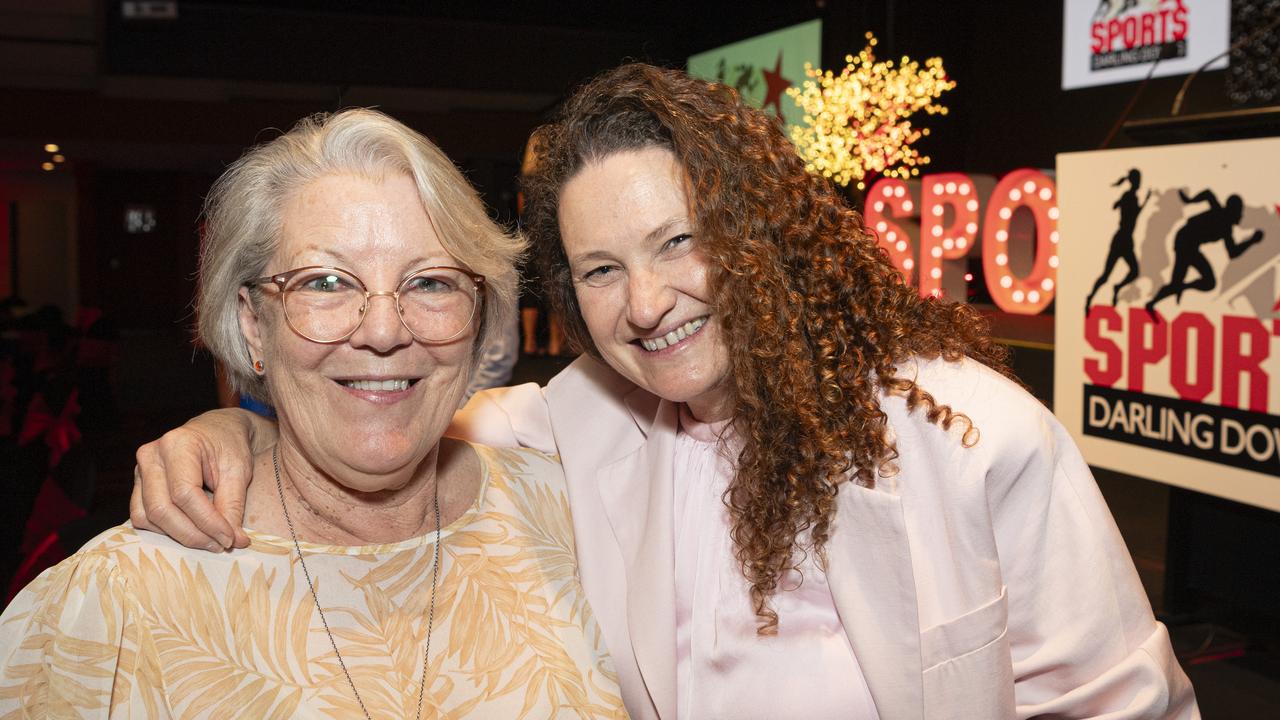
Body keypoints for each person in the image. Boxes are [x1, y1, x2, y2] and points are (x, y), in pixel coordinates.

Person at [131, 65, 1199, 719]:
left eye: (679, 242)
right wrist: (241, 424)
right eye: (599, 270)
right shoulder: (576, 425)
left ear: (758, 232)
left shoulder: (969, 436)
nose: (645, 303)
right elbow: (384, 406)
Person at [0, 108, 626, 718]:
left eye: (431, 282)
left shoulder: (578, 520)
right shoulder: (120, 603)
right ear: (252, 325)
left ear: (482, 318)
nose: (383, 331)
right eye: (326, 283)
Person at [1146, 188, 1265, 312]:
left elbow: (1232, 253)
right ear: (1233, 211)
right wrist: (1189, 200)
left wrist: (1251, 241)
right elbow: (1208, 194)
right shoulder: (1220, 215)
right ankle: (1160, 298)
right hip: (1185, 242)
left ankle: (1157, 300)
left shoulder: (1226, 230)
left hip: (1190, 245)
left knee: (1204, 282)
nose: (1241, 215)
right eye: (1239, 211)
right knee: (1199, 282)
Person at [1085, 168, 1150, 311]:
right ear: (1135, 181)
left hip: (1126, 240)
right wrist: (1142, 203)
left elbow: (1124, 211)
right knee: (1106, 275)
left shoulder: (1131, 197)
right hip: (1121, 240)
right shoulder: (1129, 197)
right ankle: (1090, 297)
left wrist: (1144, 202)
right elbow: (1131, 216)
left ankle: (1117, 287)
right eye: (1138, 180)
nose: (1140, 183)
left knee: (1134, 271)